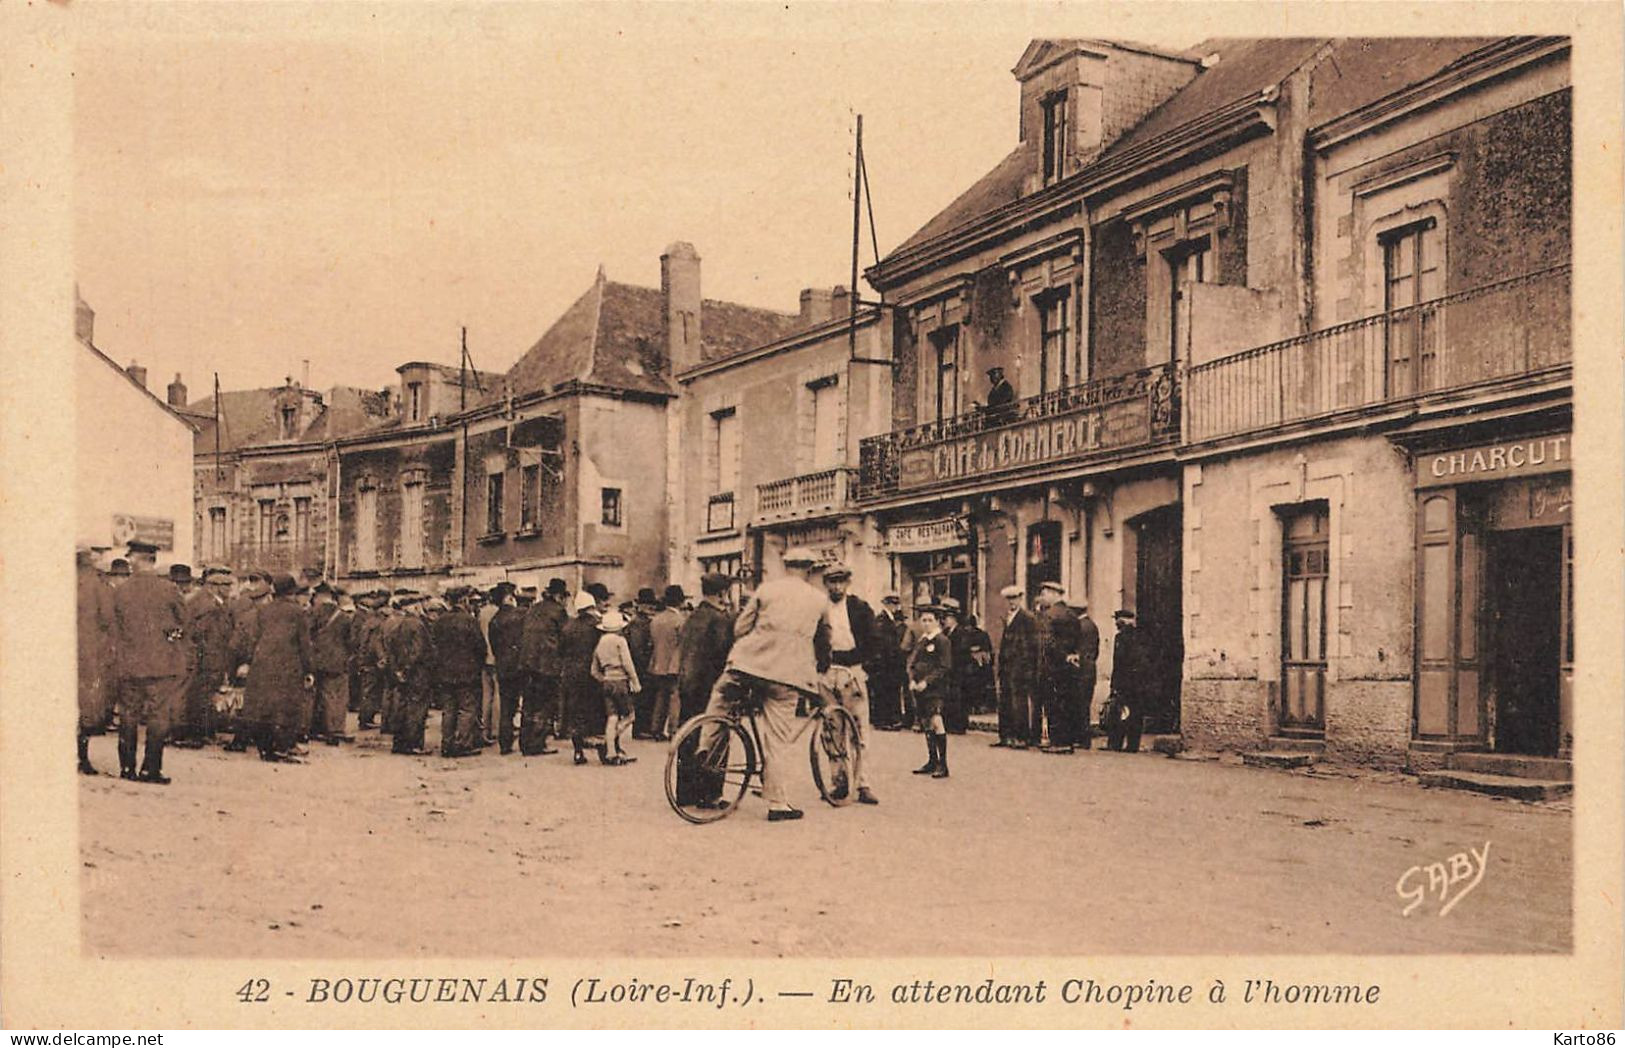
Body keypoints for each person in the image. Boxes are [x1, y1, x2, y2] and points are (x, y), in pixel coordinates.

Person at [697, 548, 829, 822]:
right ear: (809, 569)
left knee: (720, 701)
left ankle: (706, 745)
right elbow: (823, 641)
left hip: (748, 664)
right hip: (787, 674)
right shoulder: (818, 599)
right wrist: (819, 667)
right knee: (778, 739)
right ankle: (778, 803)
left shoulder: (766, 590)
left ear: (786, 566)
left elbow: (741, 628)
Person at [109, 542, 189, 784]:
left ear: (140, 559)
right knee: (158, 716)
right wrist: (169, 636)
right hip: (161, 664)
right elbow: (183, 623)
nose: (130, 562)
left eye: (132, 558)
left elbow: (113, 626)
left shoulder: (121, 591)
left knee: (128, 715)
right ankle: (150, 769)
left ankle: (126, 768)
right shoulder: (169, 590)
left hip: (128, 664)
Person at [815, 564, 879, 805]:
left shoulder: (860, 608)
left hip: (852, 672)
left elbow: (874, 642)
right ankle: (839, 782)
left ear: (847, 583)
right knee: (832, 730)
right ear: (826, 584)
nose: (836, 586)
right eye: (832, 582)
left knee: (860, 730)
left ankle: (863, 783)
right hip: (827, 674)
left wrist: (864, 667)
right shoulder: (819, 609)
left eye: (841, 581)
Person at [235, 573, 315, 763]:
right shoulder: (298, 612)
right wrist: (309, 670)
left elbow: (254, 639)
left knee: (264, 707)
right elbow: (304, 644)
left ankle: (266, 748)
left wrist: (249, 661)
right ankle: (284, 747)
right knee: (287, 708)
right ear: (291, 591)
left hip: (262, 664)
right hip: (288, 666)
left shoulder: (263, 611)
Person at [673, 573, 735, 805]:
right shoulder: (720, 619)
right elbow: (723, 653)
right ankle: (710, 795)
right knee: (715, 737)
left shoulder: (692, 617)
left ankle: (685, 793)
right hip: (710, 686)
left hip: (688, 686)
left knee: (689, 736)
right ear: (722, 593)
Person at [174, 567, 236, 748]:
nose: (229, 590)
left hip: (201, 658)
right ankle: (194, 735)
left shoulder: (207, 602)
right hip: (206, 659)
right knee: (199, 696)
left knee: (199, 695)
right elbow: (209, 638)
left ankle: (200, 733)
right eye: (226, 586)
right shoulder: (209, 607)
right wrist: (214, 663)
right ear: (214, 587)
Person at [432, 588, 488, 757]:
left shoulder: (440, 621)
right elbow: (480, 647)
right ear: (463, 600)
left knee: (448, 708)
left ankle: (446, 743)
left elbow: (435, 645)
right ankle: (462, 744)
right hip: (466, 672)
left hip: (445, 672)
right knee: (467, 708)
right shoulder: (469, 621)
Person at [518, 578, 570, 755]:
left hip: (527, 663)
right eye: (564, 597)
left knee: (529, 703)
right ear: (558, 596)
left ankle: (525, 742)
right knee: (545, 705)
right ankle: (537, 744)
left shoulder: (533, 609)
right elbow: (565, 638)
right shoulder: (559, 611)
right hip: (547, 665)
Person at [76, 550, 115, 775]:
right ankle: (83, 758)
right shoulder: (98, 587)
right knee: (86, 707)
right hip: (89, 654)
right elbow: (109, 619)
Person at [560, 584, 609, 765]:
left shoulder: (568, 626)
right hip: (591, 674)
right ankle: (604, 751)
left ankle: (578, 751)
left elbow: (561, 650)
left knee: (576, 713)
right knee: (597, 712)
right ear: (591, 606)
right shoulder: (597, 626)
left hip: (572, 674)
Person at [906, 603, 953, 779]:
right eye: (923, 620)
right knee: (926, 723)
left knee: (936, 721)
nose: (926, 623)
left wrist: (926, 682)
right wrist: (912, 680)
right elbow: (912, 663)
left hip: (935, 689)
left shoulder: (942, 641)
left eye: (929, 620)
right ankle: (932, 760)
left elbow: (944, 667)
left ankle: (943, 764)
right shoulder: (922, 641)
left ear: (937, 621)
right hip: (919, 689)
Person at [384, 595, 434, 755]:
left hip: (402, 672)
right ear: (413, 607)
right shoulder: (418, 625)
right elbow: (418, 651)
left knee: (402, 707)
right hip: (417, 673)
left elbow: (390, 649)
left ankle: (399, 743)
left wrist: (397, 670)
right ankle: (413, 744)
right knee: (417, 709)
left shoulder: (397, 625)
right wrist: (407, 668)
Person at [591, 609, 642, 765]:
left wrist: (605, 678)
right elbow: (627, 662)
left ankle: (611, 752)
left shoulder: (600, 642)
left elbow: (593, 670)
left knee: (612, 717)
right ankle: (608, 742)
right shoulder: (620, 641)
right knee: (629, 716)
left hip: (606, 681)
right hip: (620, 681)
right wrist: (635, 681)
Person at [995, 584, 1041, 749]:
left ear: (1021, 599)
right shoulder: (1008, 617)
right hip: (1007, 666)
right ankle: (1006, 735)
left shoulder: (1028, 618)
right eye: (1009, 599)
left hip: (1021, 667)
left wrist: (1029, 667)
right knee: (1005, 701)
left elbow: (1032, 645)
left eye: (1015, 598)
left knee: (1019, 703)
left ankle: (1021, 737)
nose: (1011, 602)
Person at [309, 583, 353, 744]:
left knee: (318, 695)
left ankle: (318, 728)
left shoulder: (313, 613)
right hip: (338, 662)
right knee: (337, 696)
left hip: (317, 660)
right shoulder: (342, 616)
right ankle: (335, 730)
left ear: (319, 596)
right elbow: (350, 641)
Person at [487, 584, 528, 755]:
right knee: (526, 703)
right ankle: (526, 741)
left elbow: (495, 646)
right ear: (510, 597)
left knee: (506, 706)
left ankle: (505, 743)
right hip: (521, 664)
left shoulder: (494, 620)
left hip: (503, 666)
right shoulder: (521, 615)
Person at [646, 584, 687, 741]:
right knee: (675, 697)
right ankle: (673, 730)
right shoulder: (680, 621)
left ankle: (656, 728)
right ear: (680, 602)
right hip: (674, 665)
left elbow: (652, 643)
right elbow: (682, 644)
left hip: (657, 663)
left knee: (661, 696)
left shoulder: (656, 620)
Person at [1104, 609, 1147, 753]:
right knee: (1135, 713)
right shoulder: (1141, 636)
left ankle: (1116, 743)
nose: (1116, 623)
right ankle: (1132, 745)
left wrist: (1115, 684)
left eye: (1118, 620)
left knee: (1120, 712)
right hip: (1138, 682)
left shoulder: (1121, 638)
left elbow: (1119, 663)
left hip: (1125, 682)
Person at [867, 593, 908, 731]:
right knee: (885, 691)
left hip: (889, 663)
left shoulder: (887, 620)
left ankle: (887, 720)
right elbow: (883, 644)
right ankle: (883, 720)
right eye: (893, 604)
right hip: (886, 664)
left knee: (888, 691)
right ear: (888, 605)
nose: (895, 607)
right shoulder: (882, 621)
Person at [626, 588, 658, 738]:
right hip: (641, 666)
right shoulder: (638, 623)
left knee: (646, 696)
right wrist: (645, 663)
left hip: (642, 665)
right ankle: (640, 729)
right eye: (648, 605)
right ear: (640, 606)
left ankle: (643, 727)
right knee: (643, 697)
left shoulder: (641, 621)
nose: (651, 609)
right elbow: (637, 648)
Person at [956, 612, 996, 728]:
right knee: (978, 687)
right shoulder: (982, 634)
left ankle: (975, 706)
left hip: (973, 666)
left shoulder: (966, 634)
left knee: (973, 688)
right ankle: (978, 706)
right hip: (979, 666)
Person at [938, 597, 968, 733]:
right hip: (948, 671)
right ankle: (950, 724)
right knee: (949, 697)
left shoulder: (961, 633)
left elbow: (961, 653)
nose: (944, 620)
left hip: (958, 670)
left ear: (954, 618)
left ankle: (958, 725)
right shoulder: (945, 633)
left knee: (957, 697)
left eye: (947, 617)